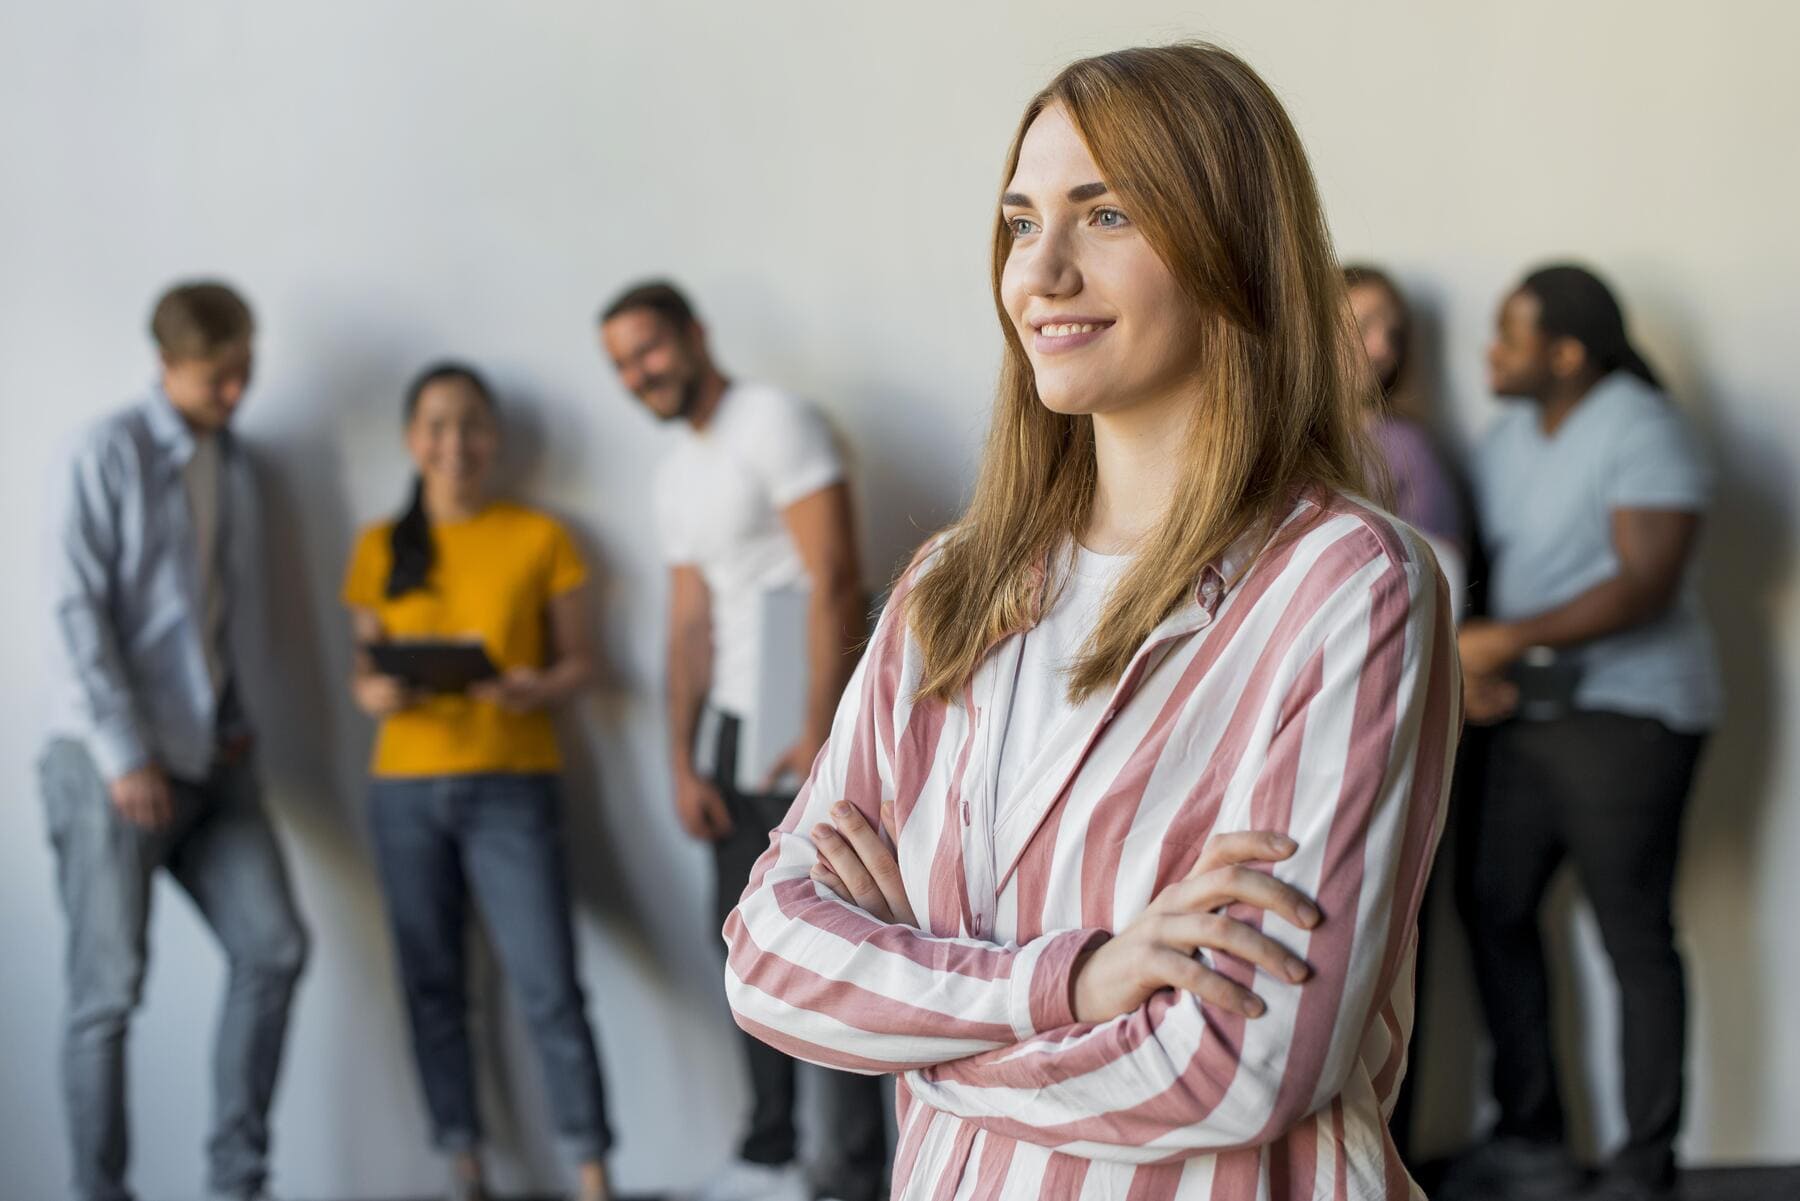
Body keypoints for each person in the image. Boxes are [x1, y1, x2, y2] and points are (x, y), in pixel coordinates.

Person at [722, 43, 1461, 1201]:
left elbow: (1240, 1062)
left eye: (1105, 213)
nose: (1042, 271)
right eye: (1020, 223)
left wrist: (918, 999)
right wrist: (1073, 982)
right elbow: (768, 960)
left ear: (1233, 250)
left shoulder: (1346, 582)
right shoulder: (950, 584)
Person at [598, 282, 887, 1201]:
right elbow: (689, 622)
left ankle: (848, 1176)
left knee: (833, 952)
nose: (636, 374)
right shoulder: (679, 470)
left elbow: (837, 576)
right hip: (730, 736)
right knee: (746, 954)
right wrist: (680, 760)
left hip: (806, 730)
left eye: (647, 349)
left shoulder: (776, 422)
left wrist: (819, 735)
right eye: (620, 364)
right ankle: (769, 1156)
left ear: (693, 335)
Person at [1445, 266, 1718, 1201]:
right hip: (1527, 713)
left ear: (1564, 352)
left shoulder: (1641, 426)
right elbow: (1487, 564)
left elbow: (1645, 582)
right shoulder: (1508, 435)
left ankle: (1645, 1167)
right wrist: (1472, 665)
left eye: (1509, 335)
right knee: (1492, 907)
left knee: (1631, 933)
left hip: (1630, 716)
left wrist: (1505, 639)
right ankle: (1533, 1140)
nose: (1492, 352)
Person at [40, 280, 309, 1201]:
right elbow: (76, 614)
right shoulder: (104, 452)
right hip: (111, 764)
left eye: (244, 371)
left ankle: (236, 1183)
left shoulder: (234, 462)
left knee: (273, 948)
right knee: (106, 995)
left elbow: (212, 620)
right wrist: (127, 754)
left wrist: (232, 730)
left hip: (214, 759)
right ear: (166, 363)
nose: (234, 393)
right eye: (214, 377)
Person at [341, 363, 614, 1201]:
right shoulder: (381, 548)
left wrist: (538, 685)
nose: (453, 443)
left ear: (493, 439)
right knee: (433, 986)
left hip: (513, 780)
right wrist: (377, 690)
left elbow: (580, 664)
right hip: (405, 790)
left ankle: (593, 1173)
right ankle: (465, 1167)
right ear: (410, 439)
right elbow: (364, 675)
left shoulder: (540, 537)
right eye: (436, 425)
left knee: (549, 984)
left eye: (470, 426)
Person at [1343, 263, 1469, 605]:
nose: (1383, 349)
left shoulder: (1407, 448)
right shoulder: (1278, 439)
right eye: (1363, 326)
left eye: (1394, 335)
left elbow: (1444, 577)